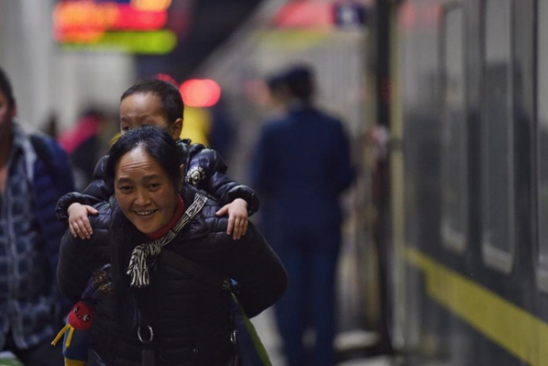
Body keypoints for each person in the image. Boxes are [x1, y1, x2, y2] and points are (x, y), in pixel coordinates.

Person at [57, 126, 288, 365]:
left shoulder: (222, 228)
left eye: (154, 186)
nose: (142, 200)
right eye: (126, 188)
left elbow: (270, 282)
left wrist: (218, 316)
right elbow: (69, 286)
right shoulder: (90, 230)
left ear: (177, 178)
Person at [56, 79, 258, 242]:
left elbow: (227, 188)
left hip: (193, 251)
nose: (134, 135)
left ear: (175, 128)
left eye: (146, 126)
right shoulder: (114, 165)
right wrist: (75, 207)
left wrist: (239, 202)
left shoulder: (200, 160)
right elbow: (89, 196)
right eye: (126, 127)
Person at [251, 65, 355, 366]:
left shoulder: (273, 130)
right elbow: (345, 177)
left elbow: (261, 180)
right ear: (312, 88)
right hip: (325, 223)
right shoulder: (333, 126)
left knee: (289, 294)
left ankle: (295, 358)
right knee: (324, 295)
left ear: (286, 92)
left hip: (285, 226)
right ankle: (324, 358)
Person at [0, 66, 74, 365]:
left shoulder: (44, 155)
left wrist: (70, 306)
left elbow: (68, 233)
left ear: (13, 108)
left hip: (44, 325)